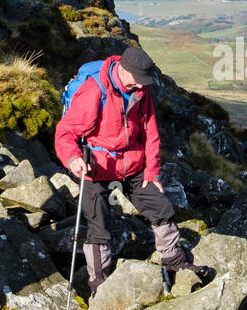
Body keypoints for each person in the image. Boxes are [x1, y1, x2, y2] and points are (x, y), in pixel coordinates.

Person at [53, 46, 203, 295]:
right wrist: (73, 159)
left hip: (132, 164)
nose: (142, 87)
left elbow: (151, 134)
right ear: (122, 71)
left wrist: (152, 172)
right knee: (98, 226)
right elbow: (65, 132)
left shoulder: (141, 91)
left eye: (145, 83)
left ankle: (175, 261)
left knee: (160, 207)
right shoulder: (94, 92)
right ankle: (99, 285)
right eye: (138, 82)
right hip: (96, 168)